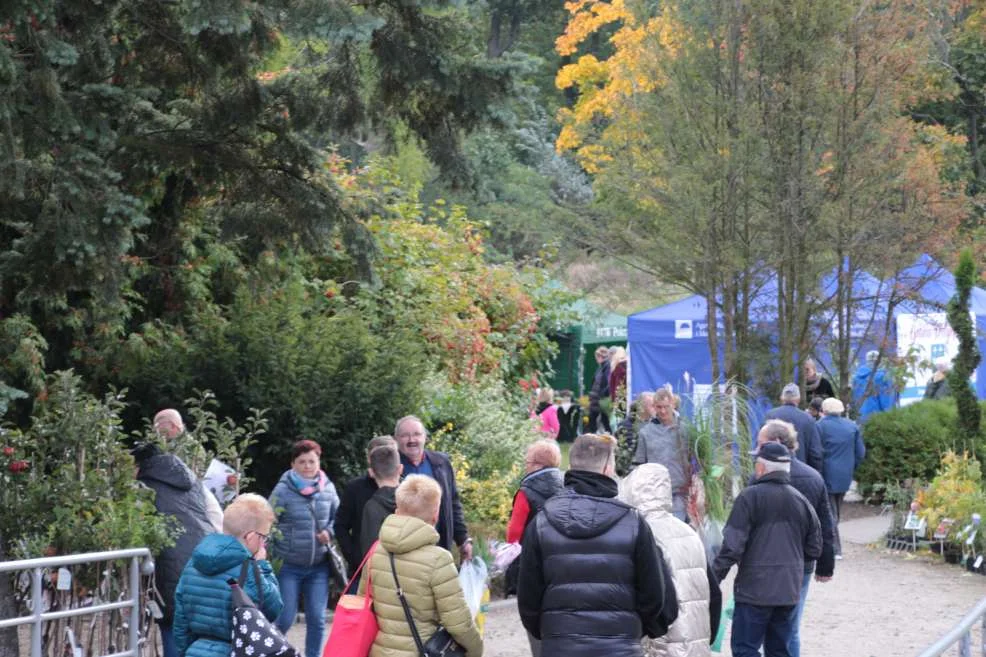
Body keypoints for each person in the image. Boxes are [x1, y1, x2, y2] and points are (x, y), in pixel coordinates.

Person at [518, 434, 679, 657]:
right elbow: (655, 596)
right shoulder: (633, 522)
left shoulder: (541, 523)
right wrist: (631, 630)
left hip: (561, 646)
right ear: (607, 469)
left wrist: (554, 635)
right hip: (620, 647)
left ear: (571, 465)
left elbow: (528, 600)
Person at [713, 442, 821, 657]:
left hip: (754, 590)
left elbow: (732, 547)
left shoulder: (749, 497)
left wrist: (713, 577)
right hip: (788, 590)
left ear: (761, 468)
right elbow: (814, 548)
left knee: (746, 649)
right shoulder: (801, 501)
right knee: (780, 649)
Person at [359, 475, 483, 657]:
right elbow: (458, 623)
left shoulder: (376, 552)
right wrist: (476, 650)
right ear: (435, 515)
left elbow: (365, 606)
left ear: (397, 509)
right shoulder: (439, 560)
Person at [621, 463, 721, 657]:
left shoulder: (640, 534)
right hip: (695, 645)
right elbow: (714, 593)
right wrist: (704, 639)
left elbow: (651, 598)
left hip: (661, 646)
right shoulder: (689, 533)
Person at [754, 420, 835, 657]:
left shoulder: (759, 478)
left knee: (764, 624)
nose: (757, 450)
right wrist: (825, 565)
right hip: (801, 563)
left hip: (766, 562)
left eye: (761, 444)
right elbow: (824, 526)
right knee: (790, 625)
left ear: (777, 442)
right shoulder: (814, 477)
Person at [133, 427, 216, 657]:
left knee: (172, 625)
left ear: (139, 465)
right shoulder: (192, 481)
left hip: (170, 568)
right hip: (205, 559)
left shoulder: (143, 488)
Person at [173, 493, 283, 657]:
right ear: (250, 536)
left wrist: (185, 652)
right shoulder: (249, 568)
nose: (264, 543)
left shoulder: (193, 562)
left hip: (195, 651)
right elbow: (273, 608)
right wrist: (262, 565)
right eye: (264, 537)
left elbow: (181, 620)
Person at [269, 440, 339, 657]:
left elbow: (339, 517)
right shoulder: (282, 489)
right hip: (288, 565)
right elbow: (269, 519)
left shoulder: (328, 488)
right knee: (285, 618)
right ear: (293, 464)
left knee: (317, 619)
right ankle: (274, 652)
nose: (308, 466)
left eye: (312, 461)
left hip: (318, 566)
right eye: (302, 462)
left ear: (318, 462)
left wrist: (329, 532)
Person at [394, 416, 472, 560]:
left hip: (438, 546)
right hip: (404, 551)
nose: (412, 440)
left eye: (417, 434)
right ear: (397, 439)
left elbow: (453, 502)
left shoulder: (441, 463)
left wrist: (463, 539)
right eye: (405, 435)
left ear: (425, 437)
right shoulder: (391, 468)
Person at [504, 440, 564, 623]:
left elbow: (514, 534)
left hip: (532, 561)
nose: (526, 466)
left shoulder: (526, 492)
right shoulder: (567, 486)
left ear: (538, 465)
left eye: (528, 462)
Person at [335, 435, 398, 576]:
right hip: (363, 568)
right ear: (369, 459)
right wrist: (355, 557)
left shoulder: (406, 489)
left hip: (399, 569)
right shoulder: (355, 488)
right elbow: (340, 525)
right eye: (377, 456)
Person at [153, 409, 224, 531]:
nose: (158, 434)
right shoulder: (168, 447)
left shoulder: (192, 448)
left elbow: (191, 479)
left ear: (172, 425)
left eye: (160, 429)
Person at [632, 388, 692, 522]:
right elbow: (639, 464)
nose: (663, 411)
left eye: (666, 406)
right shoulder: (645, 433)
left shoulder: (686, 429)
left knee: (677, 529)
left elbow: (696, 458)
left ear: (673, 404)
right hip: (655, 493)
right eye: (659, 407)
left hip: (680, 492)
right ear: (654, 407)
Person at [817, 398, 866, 559]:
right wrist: (851, 466)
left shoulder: (820, 426)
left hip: (826, 474)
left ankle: (834, 548)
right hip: (845, 475)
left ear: (824, 410)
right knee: (835, 510)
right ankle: (832, 545)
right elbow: (860, 453)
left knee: (830, 512)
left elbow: (816, 452)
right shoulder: (852, 426)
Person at [764, 383, 824, 473]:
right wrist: (816, 474)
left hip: (774, 471)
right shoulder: (808, 419)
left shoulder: (770, 416)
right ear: (798, 399)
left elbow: (762, 444)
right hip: (801, 472)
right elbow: (815, 452)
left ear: (782, 398)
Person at [359, 442, 403, 558]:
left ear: (371, 472)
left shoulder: (372, 507)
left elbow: (369, 551)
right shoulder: (413, 500)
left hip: (385, 572)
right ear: (400, 469)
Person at [851, 350, 895, 421]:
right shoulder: (883, 377)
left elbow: (853, 399)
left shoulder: (856, 378)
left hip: (860, 416)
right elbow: (886, 401)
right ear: (879, 361)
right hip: (877, 417)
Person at [588, 346, 612, 433]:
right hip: (597, 398)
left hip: (600, 398)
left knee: (601, 420)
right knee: (601, 419)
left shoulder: (607, 366)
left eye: (598, 356)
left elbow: (607, 383)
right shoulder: (601, 367)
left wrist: (603, 394)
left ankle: (608, 437)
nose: (597, 358)